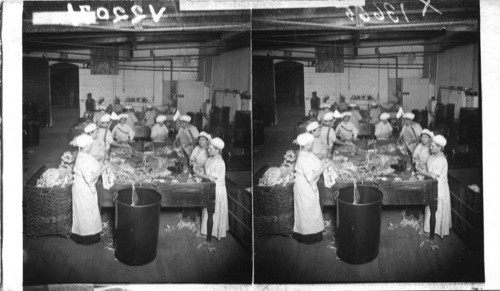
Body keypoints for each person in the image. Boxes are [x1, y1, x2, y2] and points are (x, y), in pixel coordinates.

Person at [69, 134, 110, 245]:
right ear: (86, 146)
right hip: (83, 189)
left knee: (89, 212)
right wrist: (104, 168)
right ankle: (84, 237)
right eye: (90, 145)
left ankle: (92, 234)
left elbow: (94, 163)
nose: (91, 146)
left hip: (86, 189)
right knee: (84, 213)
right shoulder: (81, 159)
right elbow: (90, 177)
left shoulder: (85, 154)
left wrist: (102, 163)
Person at [292, 133, 333, 244]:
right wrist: (325, 167)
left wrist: (323, 162)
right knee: (306, 211)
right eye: (310, 143)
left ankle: (314, 233)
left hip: (307, 186)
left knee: (311, 209)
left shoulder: (306, 153)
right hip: (304, 186)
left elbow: (315, 162)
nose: (312, 144)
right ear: (307, 144)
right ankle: (307, 236)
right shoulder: (303, 158)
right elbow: (311, 177)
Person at [194, 137, 229, 240]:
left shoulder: (219, 162)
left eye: (211, 149)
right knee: (207, 210)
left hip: (216, 189)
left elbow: (211, 177)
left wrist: (198, 174)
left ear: (218, 150)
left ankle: (213, 232)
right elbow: (207, 172)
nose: (208, 150)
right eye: (208, 148)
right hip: (210, 187)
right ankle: (207, 230)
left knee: (213, 211)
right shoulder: (210, 158)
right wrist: (199, 170)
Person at [418, 135, 451, 238]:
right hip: (433, 185)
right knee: (431, 209)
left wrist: (421, 171)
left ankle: (436, 231)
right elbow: (430, 167)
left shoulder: (441, 159)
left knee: (436, 209)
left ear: (440, 147)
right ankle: (430, 228)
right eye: (430, 145)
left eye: (433, 146)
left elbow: (434, 175)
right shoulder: (433, 156)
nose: (430, 147)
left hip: (439, 187)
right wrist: (423, 167)